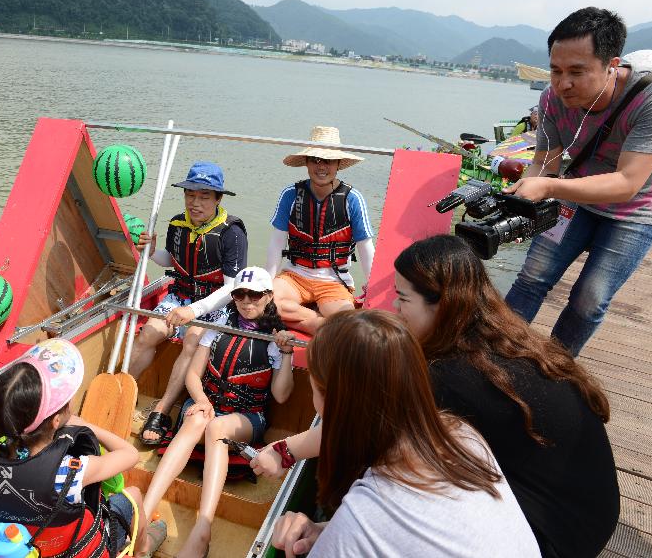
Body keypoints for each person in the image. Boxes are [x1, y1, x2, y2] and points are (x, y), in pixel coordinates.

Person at [253, 235, 620, 558]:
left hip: (554, 537)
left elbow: (356, 424)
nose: (394, 309)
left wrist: (286, 453)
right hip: (590, 508)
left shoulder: (448, 378)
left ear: (441, 303)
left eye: (402, 299)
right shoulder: (500, 336)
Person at [269, 310, 540, 557]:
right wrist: (329, 530)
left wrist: (340, 533)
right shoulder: (461, 435)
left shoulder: (363, 519)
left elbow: (375, 529)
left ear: (333, 402)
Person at [503, 7, 652, 356]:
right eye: (556, 71)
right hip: (574, 194)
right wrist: (519, 200)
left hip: (637, 208)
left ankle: (556, 372)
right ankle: (491, 359)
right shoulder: (551, 99)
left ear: (611, 64)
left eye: (577, 72)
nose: (563, 84)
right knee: (532, 276)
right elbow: (545, 162)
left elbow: (627, 183)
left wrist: (548, 187)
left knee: (590, 298)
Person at [140, 267, 296, 558]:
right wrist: (201, 400)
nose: (247, 301)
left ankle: (202, 530)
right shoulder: (220, 325)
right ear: (233, 296)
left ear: (269, 296)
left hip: (246, 417)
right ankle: (145, 512)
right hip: (208, 403)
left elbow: (282, 395)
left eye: (255, 295)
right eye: (239, 294)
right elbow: (193, 377)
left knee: (216, 428)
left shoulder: (275, 339)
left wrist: (287, 354)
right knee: (198, 418)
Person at [0, 339, 163, 558]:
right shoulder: (71, 471)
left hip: (23, 547)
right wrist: (86, 425)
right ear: (56, 420)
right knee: (133, 495)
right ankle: (142, 551)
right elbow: (131, 454)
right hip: (71, 550)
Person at [129, 161, 248, 446]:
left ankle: (162, 409)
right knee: (149, 334)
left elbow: (232, 288)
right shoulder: (177, 224)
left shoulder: (232, 232)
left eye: (204, 196)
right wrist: (150, 251)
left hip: (214, 303)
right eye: (190, 195)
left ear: (218, 199)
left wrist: (193, 311)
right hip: (179, 295)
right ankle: (123, 390)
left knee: (193, 339)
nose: (195, 203)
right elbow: (174, 261)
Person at [268, 125, 375, 334]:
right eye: (315, 160)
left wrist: (373, 286)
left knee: (349, 325)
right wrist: (267, 282)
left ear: (338, 165)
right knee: (266, 304)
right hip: (294, 275)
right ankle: (321, 324)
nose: (321, 167)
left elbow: (365, 247)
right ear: (306, 163)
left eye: (328, 161)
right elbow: (277, 242)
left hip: (333, 279)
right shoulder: (290, 195)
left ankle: (319, 323)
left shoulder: (353, 199)